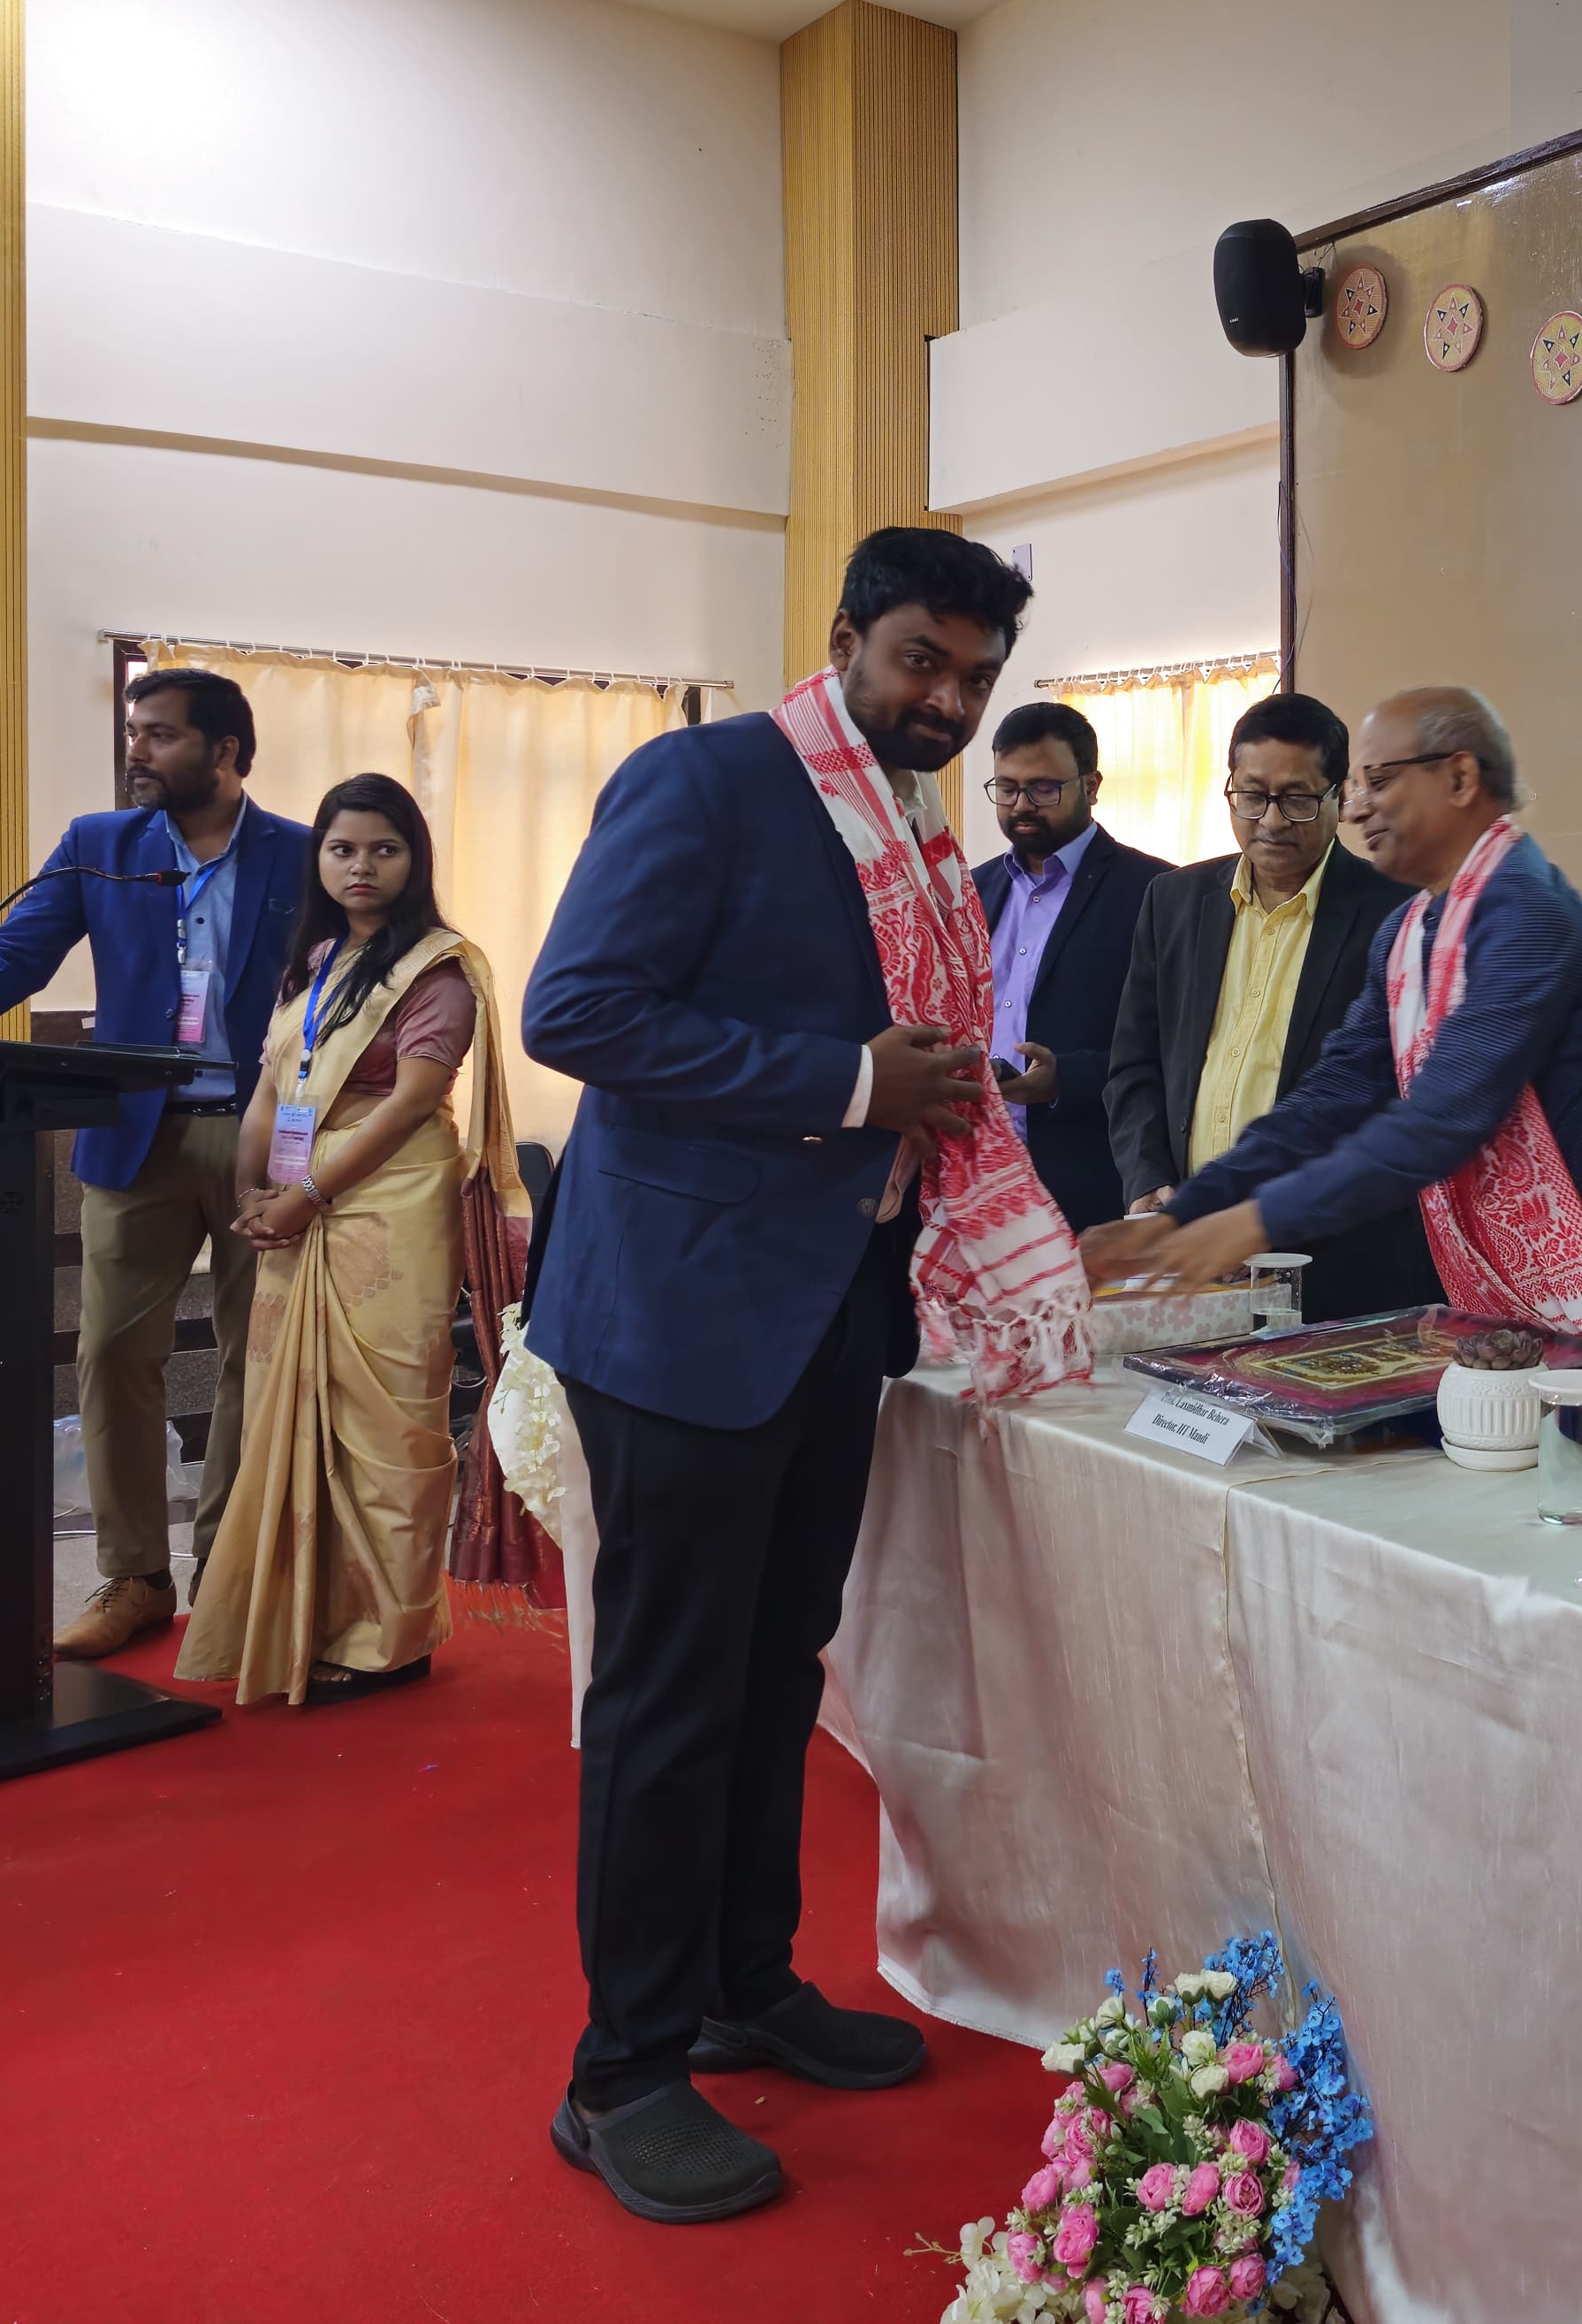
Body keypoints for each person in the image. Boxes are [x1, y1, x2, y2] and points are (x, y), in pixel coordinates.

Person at [523, 523, 1083, 2227]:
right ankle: (620, 2072)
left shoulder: (904, 824)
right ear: (845, 641)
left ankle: (741, 1983)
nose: (950, 704)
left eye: (976, 681)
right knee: (670, 1690)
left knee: (779, 1665)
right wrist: (847, 1082)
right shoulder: (709, 782)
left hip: (839, 1302)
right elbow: (577, 1012)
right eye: (922, 662)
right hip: (684, 1312)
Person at [1088, 688, 1582, 1423]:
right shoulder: (1409, 930)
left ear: (1460, 778)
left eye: (1379, 782)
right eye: (1356, 788)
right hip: (1518, 1300)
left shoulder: (1528, 912)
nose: (1357, 810)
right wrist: (1186, 1212)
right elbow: (1331, 1098)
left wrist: (1251, 1224)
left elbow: (1441, 1121)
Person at [0, 667, 308, 1657]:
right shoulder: (100, 845)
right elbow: (17, 955)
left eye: (160, 734)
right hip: (136, 1131)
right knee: (113, 1353)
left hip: (266, 1135)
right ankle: (136, 1577)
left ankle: (230, 1575)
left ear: (226, 752)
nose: (136, 749)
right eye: (134, 730)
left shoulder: (301, 851)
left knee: (254, 1359)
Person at [176, 776, 527, 1705]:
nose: (361, 866)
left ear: (415, 860)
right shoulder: (318, 958)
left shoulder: (438, 968)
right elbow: (271, 1087)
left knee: (383, 1422)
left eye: (384, 849)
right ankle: (310, 1619)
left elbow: (412, 1101)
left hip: (389, 1201)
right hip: (298, 1199)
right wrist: (252, 1191)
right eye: (342, 849)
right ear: (319, 860)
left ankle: (390, 1638)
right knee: (296, 1409)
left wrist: (307, 1193)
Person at [1105, 692, 1440, 1320]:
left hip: (1340, 1267)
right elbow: (1134, 1064)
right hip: (1192, 1262)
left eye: (1298, 799)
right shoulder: (1173, 901)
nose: (1272, 821)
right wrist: (1149, 1183)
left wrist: (1264, 1221)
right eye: (1252, 796)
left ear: (1340, 797)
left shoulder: (1398, 914)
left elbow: (1395, 1105)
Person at [972, 701, 1169, 1234]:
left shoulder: (1156, 892)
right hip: (974, 1182)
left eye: (1043, 789)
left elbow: (1178, 1054)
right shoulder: (970, 890)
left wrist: (1066, 1079)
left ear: (1092, 785)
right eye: (1007, 788)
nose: (1022, 805)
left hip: (1088, 1185)